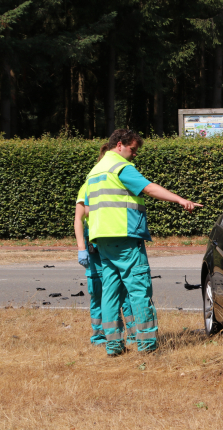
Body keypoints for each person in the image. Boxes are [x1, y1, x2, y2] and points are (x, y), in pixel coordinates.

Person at [85, 129, 203, 356]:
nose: (134, 154)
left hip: (102, 239)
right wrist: (180, 200)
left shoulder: (95, 171)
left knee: (109, 292)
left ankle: (113, 346)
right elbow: (149, 188)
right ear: (119, 145)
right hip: (125, 237)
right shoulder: (120, 167)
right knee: (139, 290)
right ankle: (148, 346)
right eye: (133, 149)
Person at [74, 144, 135, 346]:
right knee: (99, 290)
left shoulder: (118, 181)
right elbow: (79, 218)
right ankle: (101, 335)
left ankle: (132, 334)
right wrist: (82, 249)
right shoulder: (89, 184)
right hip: (95, 244)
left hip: (112, 238)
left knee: (124, 290)